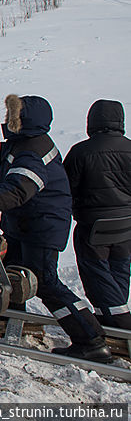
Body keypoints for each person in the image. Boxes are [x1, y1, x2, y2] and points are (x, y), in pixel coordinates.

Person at [0, 94, 111, 362]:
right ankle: (10, 317)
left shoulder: (31, 150)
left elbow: (19, 188)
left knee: (45, 282)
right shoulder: (25, 144)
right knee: (10, 269)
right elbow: (14, 172)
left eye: (12, 116)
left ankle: (91, 338)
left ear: (23, 120)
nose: (6, 120)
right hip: (26, 223)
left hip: (41, 226)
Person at [63, 100, 131, 331]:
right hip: (126, 225)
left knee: (96, 273)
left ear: (92, 121)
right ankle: (111, 316)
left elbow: (65, 189)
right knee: (120, 269)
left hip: (93, 226)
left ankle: (120, 321)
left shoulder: (81, 152)